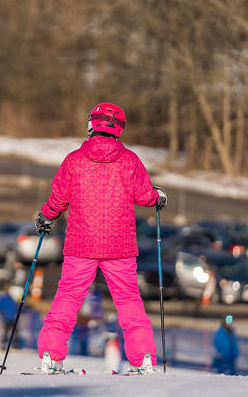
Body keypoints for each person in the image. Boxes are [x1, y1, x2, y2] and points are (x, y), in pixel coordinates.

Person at [34, 102, 167, 375]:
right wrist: (159, 198)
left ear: (92, 125)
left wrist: (45, 216)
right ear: (118, 129)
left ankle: (50, 354)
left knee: (68, 297)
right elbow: (145, 196)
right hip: (120, 246)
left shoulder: (74, 160)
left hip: (81, 244)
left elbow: (59, 197)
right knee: (129, 300)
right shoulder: (130, 160)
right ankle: (143, 359)